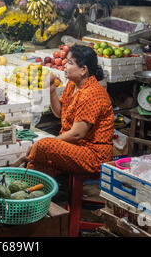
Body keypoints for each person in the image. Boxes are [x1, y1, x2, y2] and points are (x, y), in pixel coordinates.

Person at [20, 45, 114, 176]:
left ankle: (19, 165)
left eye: (69, 63)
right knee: (38, 162)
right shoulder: (72, 84)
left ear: (83, 70)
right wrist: (52, 90)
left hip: (93, 155)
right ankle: (28, 189)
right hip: (75, 147)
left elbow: (77, 134)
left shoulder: (92, 93)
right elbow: (59, 113)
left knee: (44, 146)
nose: (64, 65)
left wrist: (48, 143)